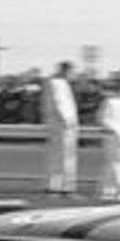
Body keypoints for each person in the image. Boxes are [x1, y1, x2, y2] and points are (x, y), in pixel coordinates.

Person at [42, 61, 79, 196]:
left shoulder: (61, 83)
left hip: (64, 124)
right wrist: (67, 120)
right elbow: (59, 103)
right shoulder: (55, 83)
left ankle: (60, 186)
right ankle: (61, 187)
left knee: (63, 157)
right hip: (62, 125)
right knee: (62, 157)